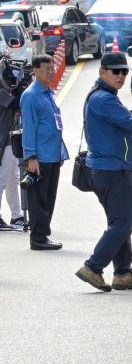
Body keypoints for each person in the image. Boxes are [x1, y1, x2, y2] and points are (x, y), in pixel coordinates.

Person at [74, 52, 132, 291]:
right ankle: (93, 267)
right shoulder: (104, 99)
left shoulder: (103, 96)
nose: (120, 76)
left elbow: (124, 127)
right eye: (115, 71)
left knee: (119, 222)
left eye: (124, 72)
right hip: (113, 170)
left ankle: (123, 273)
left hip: (107, 168)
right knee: (122, 224)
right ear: (102, 72)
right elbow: (131, 124)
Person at [20, 55, 66, 250]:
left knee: (48, 199)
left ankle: (43, 234)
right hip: (40, 158)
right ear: (36, 71)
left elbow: (55, 123)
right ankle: (38, 238)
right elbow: (28, 128)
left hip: (53, 155)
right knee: (39, 200)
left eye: (52, 68)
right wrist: (30, 157)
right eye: (46, 69)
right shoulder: (31, 96)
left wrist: (60, 152)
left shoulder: (47, 93)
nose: (51, 71)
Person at [0, 61, 25, 231]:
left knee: (13, 180)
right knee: (2, 180)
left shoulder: (7, 92)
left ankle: (16, 215)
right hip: (4, 142)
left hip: (11, 141)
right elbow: (18, 104)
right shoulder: (2, 94)